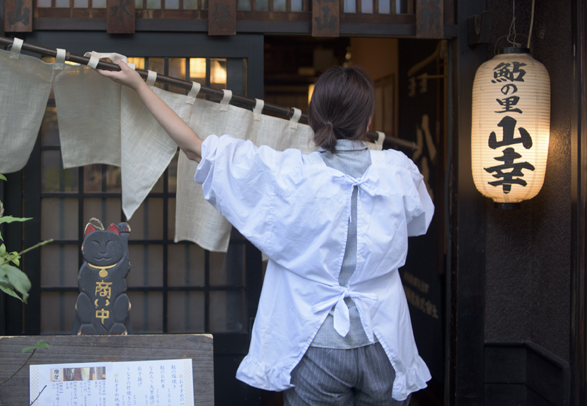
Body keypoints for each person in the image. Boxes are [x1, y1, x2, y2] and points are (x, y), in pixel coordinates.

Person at [98, 61, 434, 405]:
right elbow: (420, 220)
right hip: (385, 343)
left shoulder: (290, 173)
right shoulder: (398, 170)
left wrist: (140, 85)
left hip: (315, 342)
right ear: (369, 121)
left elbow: (195, 148)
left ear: (315, 119)